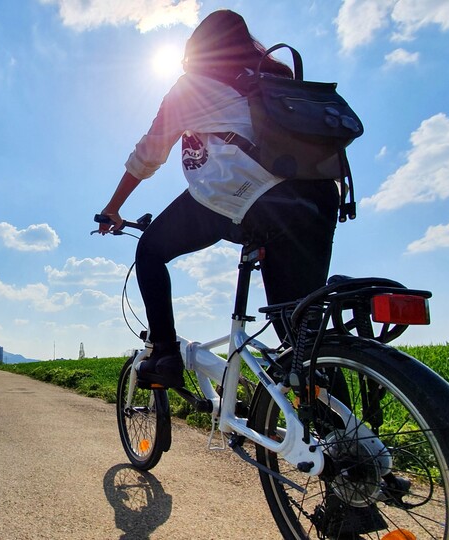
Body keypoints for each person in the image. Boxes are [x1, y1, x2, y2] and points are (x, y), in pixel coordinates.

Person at [98, 10, 340, 389]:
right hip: (320, 196)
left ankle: (165, 355)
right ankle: (341, 435)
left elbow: (148, 154)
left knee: (149, 251)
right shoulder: (274, 79)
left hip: (250, 191)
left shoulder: (192, 86)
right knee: (297, 331)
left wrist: (113, 208)